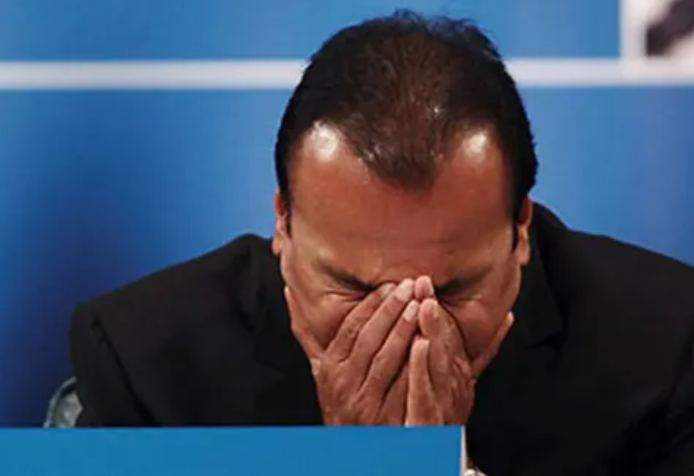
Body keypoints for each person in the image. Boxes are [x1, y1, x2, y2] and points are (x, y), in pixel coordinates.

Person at [69, 10, 694, 476]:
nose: (408, 326)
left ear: (521, 229)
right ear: (283, 224)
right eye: (352, 287)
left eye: (453, 289)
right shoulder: (148, 362)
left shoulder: (664, 340)